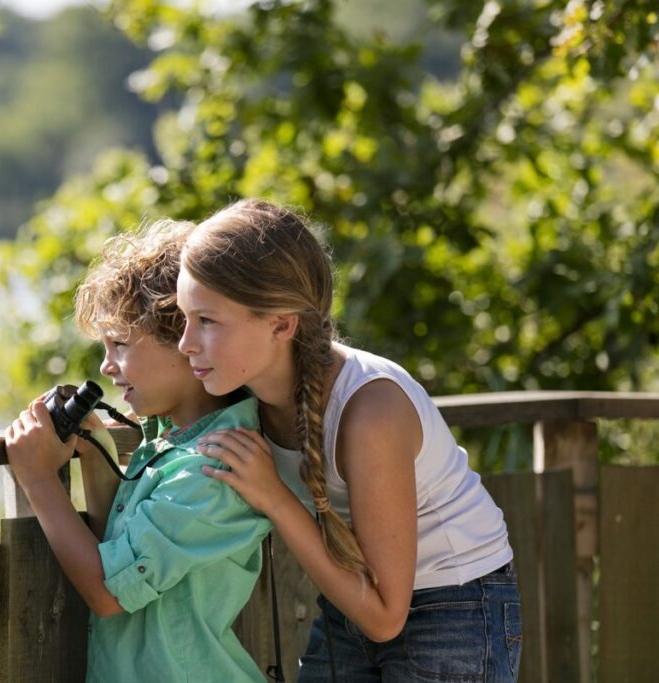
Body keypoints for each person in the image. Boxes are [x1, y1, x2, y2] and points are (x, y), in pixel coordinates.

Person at [175, 199, 522, 682]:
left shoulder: (369, 412)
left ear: (280, 323)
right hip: (354, 599)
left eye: (207, 321)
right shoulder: (237, 388)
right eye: (184, 317)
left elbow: (385, 617)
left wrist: (276, 498)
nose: (185, 342)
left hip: (455, 601)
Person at [4, 218, 273, 682]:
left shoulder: (213, 467)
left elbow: (109, 591)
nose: (107, 365)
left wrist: (38, 479)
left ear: (188, 342)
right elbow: (124, 548)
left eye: (120, 344)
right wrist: (96, 451)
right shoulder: (172, 439)